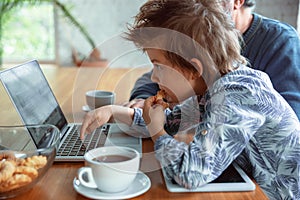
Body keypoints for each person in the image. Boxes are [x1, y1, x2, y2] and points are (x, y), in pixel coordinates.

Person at [80, 0, 300, 199]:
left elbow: (192, 173)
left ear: (194, 68)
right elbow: (169, 122)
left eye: (158, 66)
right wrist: (115, 112)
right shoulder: (212, 88)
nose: (154, 77)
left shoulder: (237, 94)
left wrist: (157, 133)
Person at [125, 0, 300, 121]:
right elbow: (160, 75)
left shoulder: (281, 41)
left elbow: (292, 114)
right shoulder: (193, 35)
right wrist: (143, 100)